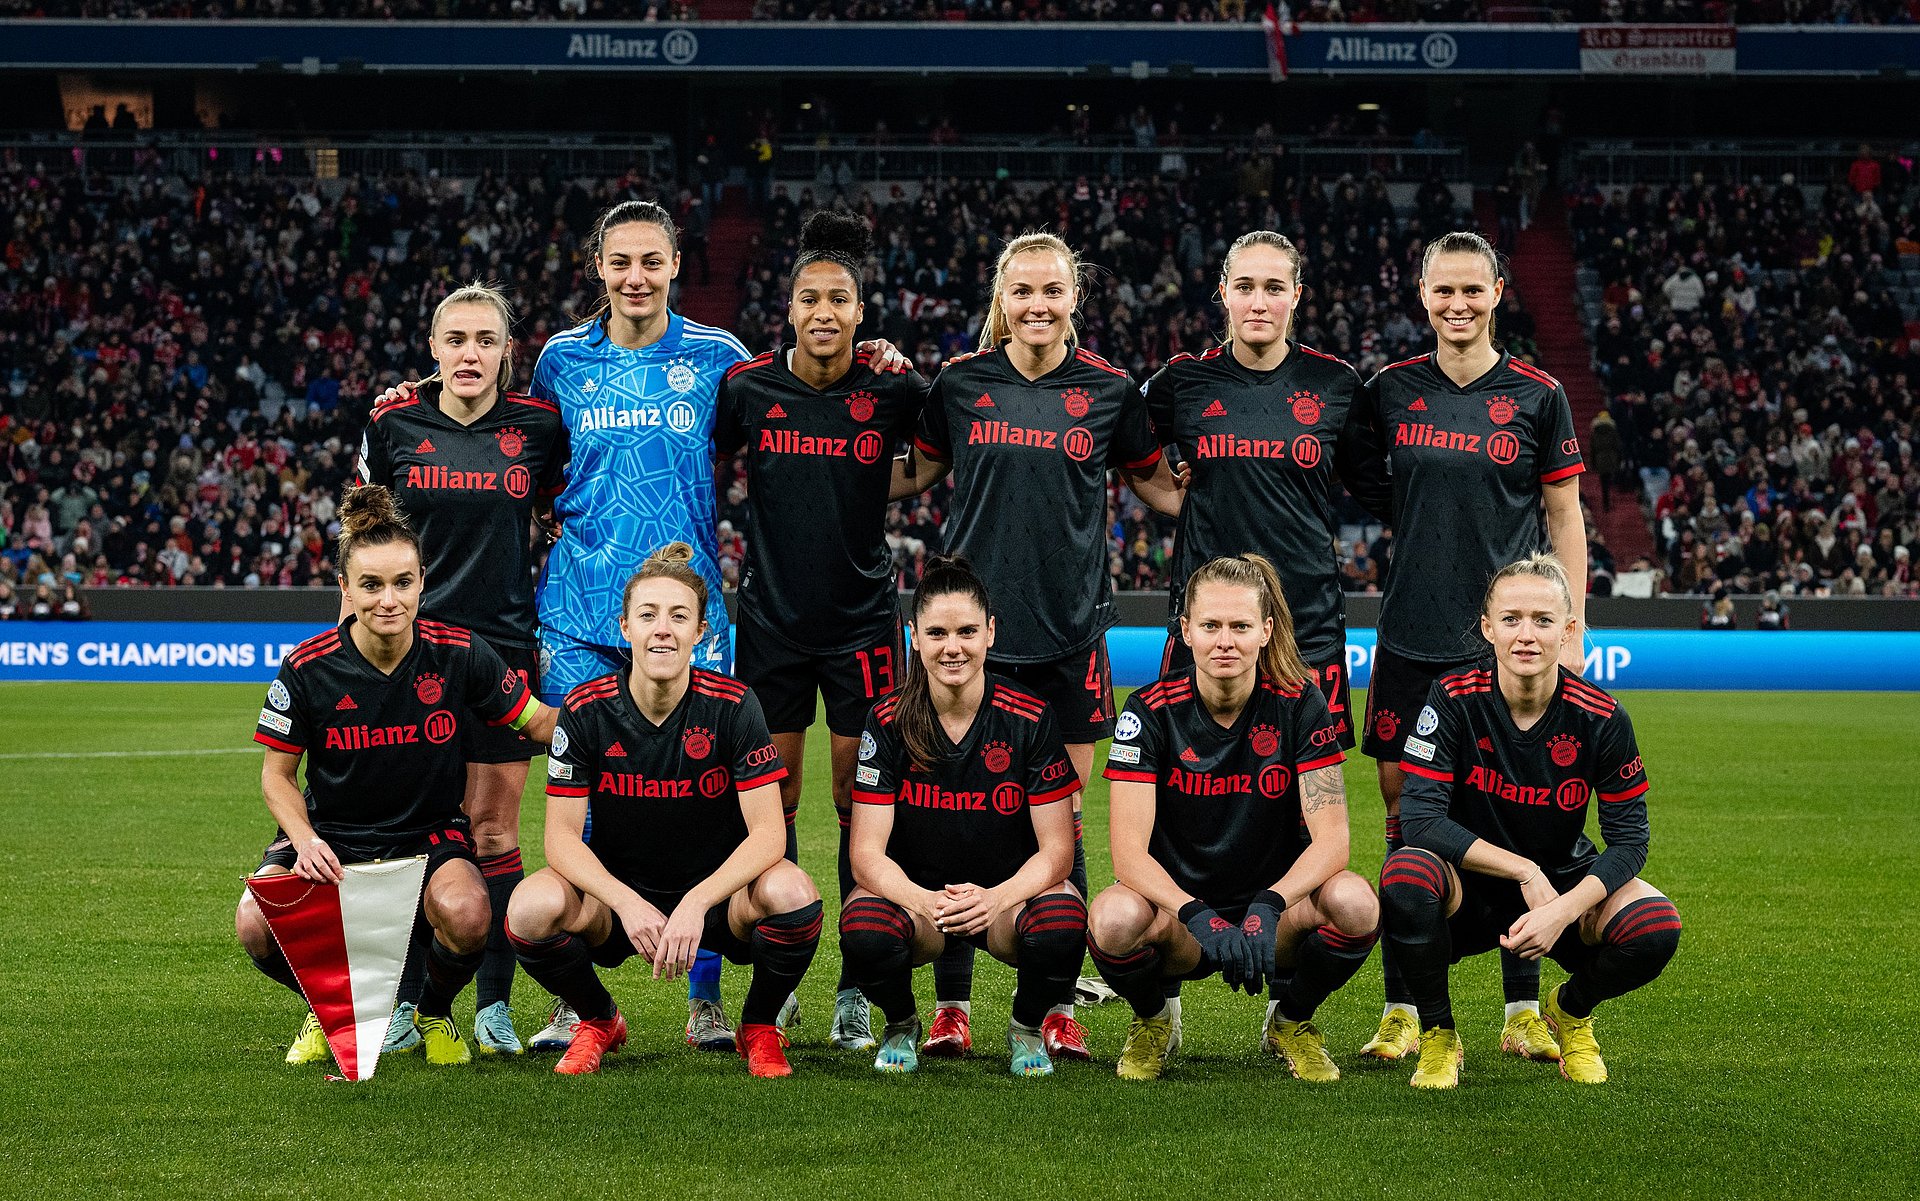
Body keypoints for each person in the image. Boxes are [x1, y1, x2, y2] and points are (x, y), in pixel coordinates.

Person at [519, 199, 908, 1053]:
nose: (636, 277)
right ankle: (574, 1003)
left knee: (713, 807)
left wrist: (863, 358)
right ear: (598, 267)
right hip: (581, 610)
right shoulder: (559, 362)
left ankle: (706, 997)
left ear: (674, 266)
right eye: (621, 262)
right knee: (583, 810)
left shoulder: (719, 360)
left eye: (652, 262)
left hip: (693, 615)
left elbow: (787, 424)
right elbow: (526, 456)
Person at [896, 232, 1182, 1061]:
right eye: (1023, 291)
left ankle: (1055, 1001)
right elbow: (909, 472)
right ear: (1001, 298)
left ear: (1073, 299)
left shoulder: (1108, 390)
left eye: (1053, 291)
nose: (1038, 305)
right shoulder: (958, 383)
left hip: (1068, 637)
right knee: (948, 815)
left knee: (1061, 817)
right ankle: (952, 1004)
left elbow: (1160, 484)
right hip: (967, 639)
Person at [1351, 230, 1588, 1064]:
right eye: (1443, 291)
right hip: (1411, 638)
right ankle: (1402, 1009)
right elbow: (1345, 478)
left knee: (1510, 818)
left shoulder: (1537, 393)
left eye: (1472, 291)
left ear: (1497, 294)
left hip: (1507, 647)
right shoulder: (1388, 393)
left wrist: (1573, 622)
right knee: (1402, 828)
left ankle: (1521, 1006)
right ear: (1423, 296)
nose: (1457, 305)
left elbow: (1563, 516)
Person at [235, 485, 556, 1067]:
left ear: (423, 583)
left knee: (468, 914)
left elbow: (537, 723)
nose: (389, 600)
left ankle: (431, 1010)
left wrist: (621, 714)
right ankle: (332, 1007)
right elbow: (277, 778)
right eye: (372, 585)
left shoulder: (459, 652)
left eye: (403, 583)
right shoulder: (308, 667)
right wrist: (304, 841)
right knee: (255, 921)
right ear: (346, 590)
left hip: (428, 834)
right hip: (332, 836)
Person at [715, 210, 929, 1054]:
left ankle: (853, 984)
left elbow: (939, 453)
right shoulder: (748, 391)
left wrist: (888, 481)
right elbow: (709, 456)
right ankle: (776, 972)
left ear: (859, 311)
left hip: (863, 624)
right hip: (769, 621)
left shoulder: (893, 390)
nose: (825, 310)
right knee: (777, 801)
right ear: (791, 309)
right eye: (811, 297)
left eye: (840, 297)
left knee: (856, 802)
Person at [505, 542, 823, 1078]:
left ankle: (759, 1026)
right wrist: (628, 904)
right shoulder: (585, 709)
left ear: (700, 632)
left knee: (793, 892)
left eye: (679, 616)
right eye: (648, 615)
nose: (663, 629)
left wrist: (697, 903)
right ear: (624, 627)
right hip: (617, 904)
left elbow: (769, 834)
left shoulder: (734, 705)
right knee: (529, 908)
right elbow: (558, 840)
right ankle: (598, 1019)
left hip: (720, 901)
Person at [351, 282, 568, 1057]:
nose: (470, 353)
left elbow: (566, 510)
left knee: (493, 830)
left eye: (485, 340)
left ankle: (494, 1007)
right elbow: (364, 538)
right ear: (434, 348)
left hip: (505, 652)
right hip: (409, 658)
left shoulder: (541, 426)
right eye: (456, 340)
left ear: (508, 351)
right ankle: (410, 1000)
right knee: (413, 833)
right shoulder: (393, 419)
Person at [1382, 555, 1681, 1088]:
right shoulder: (1452, 698)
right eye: (1512, 618)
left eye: (1543, 621)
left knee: (1655, 927)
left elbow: (1631, 841)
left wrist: (1564, 910)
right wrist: (1524, 871)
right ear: (1487, 627)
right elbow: (1420, 820)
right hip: (1468, 892)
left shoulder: (1603, 717)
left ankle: (1569, 1012)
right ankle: (1439, 1036)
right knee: (1405, 875)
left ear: (1568, 631)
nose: (1526, 634)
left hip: (1559, 892)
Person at [1088, 555, 1377, 1082]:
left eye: (1241, 626)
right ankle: (1154, 1020)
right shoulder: (1148, 710)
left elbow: (1333, 843)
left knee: (1355, 903)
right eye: (1211, 626)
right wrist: (1196, 913)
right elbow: (1127, 854)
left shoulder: (1301, 702)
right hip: (1182, 922)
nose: (1226, 640)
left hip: (1272, 920)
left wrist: (1268, 906)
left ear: (1266, 631)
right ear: (1187, 631)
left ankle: (1291, 1021)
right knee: (1111, 917)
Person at [1142, 230, 1391, 749]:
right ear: (1224, 291)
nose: (1259, 303)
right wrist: (1167, 494)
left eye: (1274, 287)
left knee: (1309, 796)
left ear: (1296, 294)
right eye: (1246, 286)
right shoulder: (1184, 381)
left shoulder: (1336, 385)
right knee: (1190, 785)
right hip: (1207, 624)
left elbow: (1382, 489)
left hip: (1308, 620)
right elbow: (1112, 439)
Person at [838, 556, 1085, 1077]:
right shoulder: (886, 721)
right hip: (919, 906)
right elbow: (864, 854)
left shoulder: (1030, 718)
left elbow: (1058, 850)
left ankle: (1024, 1027)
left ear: (991, 632)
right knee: (863, 925)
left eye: (968, 631)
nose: (953, 647)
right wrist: (923, 900)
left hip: (1003, 906)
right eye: (938, 633)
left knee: (1064, 920)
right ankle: (901, 1023)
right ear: (915, 637)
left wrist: (996, 897)